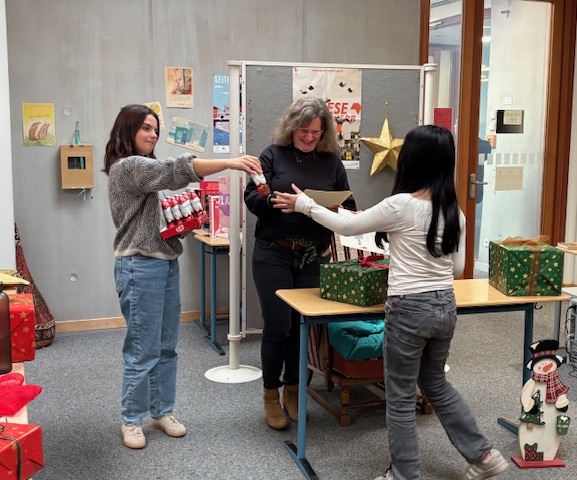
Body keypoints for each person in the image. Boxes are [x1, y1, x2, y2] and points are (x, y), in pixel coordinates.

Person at [272, 125, 508, 480]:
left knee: (399, 397)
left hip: (409, 309)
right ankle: (485, 455)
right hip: (445, 307)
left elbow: (345, 227)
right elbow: (457, 267)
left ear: (412, 160)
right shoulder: (454, 211)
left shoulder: (401, 205)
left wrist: (305, 205)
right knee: (435, 384)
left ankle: (404, 475)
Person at [103, 104, 262, 449]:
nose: (153, 134)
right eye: (146, 128)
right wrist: (232, 162)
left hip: (165, 263)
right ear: (127, 130)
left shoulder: (146, 176)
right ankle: (131, 419)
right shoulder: (128, 167)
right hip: (139, 267)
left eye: (155, 129)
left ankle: (161, 411)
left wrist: (183, 223)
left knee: (166, 347)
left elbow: (156, 221)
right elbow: (175, 169)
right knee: (142, 349)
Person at [244, 97, 356, 430]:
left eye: (316, 132)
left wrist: (319, 207)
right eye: (303, 131)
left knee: (300, 328)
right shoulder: (271, 155)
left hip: (313, 256)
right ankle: (270, 396)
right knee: (277, 327)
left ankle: (294, 392)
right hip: (273, 254)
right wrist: (279, 202)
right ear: (292, 128)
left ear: (325, 132)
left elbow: (349, 206)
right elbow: (252, 198)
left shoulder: (331, 162)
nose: (309, 137)